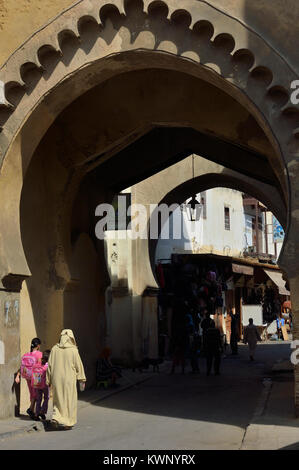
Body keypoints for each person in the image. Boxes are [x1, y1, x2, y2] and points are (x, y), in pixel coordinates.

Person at [46, 329, 86, 430]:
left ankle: (56, 417)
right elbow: (79, 366)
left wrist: (48, 379)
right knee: (69, 400)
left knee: (58, 399)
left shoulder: (54, 349)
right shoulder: (73, 350)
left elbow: (49, 365)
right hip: (69, 380)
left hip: (56, 379)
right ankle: (68, 422)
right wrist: (81, 379)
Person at [15, 337, 42, 419]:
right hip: (36, 376)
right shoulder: (39, 354)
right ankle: (32, 411)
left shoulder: (26, 354)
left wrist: (18, 375)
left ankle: (32, 411)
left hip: (28, 376)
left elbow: (22, 366)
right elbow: (40, 366)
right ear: (38, 346)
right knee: (37, 394)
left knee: (32, 393)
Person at [33, 349, 51, 421]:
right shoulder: (48, 366)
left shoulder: (38, 364)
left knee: (39, 399)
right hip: (45, 385)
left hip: (37, 384)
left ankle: (37, 414)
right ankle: (42, 412)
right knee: (46, 398)